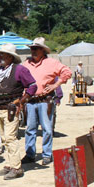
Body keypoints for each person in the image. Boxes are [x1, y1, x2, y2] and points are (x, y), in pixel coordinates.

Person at [22, 37, 72, 166]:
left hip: (45, 100)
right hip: (31, 101)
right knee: (30, 129)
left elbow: (67, 72)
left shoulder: (52, 63)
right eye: (32, 48)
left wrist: (56, 85)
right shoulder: (26, 63)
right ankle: (30, 154)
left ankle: (47, 154)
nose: (33, 51)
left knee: (47, 129)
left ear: (43, 50)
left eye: (36, 48)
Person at [0, 44, 37, 179]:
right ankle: (10, 164)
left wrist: (21, 101)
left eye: (2, 54)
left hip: (11, 109)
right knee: (5, 138)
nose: (0, 57)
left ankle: (17, 168)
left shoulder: (19, 70)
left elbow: (32, 86)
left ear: (10, 57)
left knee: (10, 138)